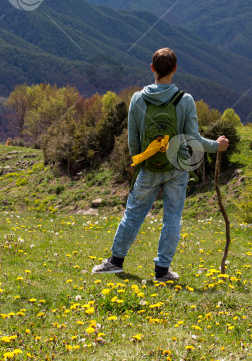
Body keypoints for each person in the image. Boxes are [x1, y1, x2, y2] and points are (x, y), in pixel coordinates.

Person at [92, 47, 229, 282]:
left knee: (133, 214)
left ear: (152, 68)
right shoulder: (184, 100)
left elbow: (132, 140)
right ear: (174, 69)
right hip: (178, 167)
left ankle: (115, 262)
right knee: (172, 218)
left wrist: (141, 162)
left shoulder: (138, 98)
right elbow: (193, 140)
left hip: (148, 165)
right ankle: (162, 271)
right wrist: (218, 146)